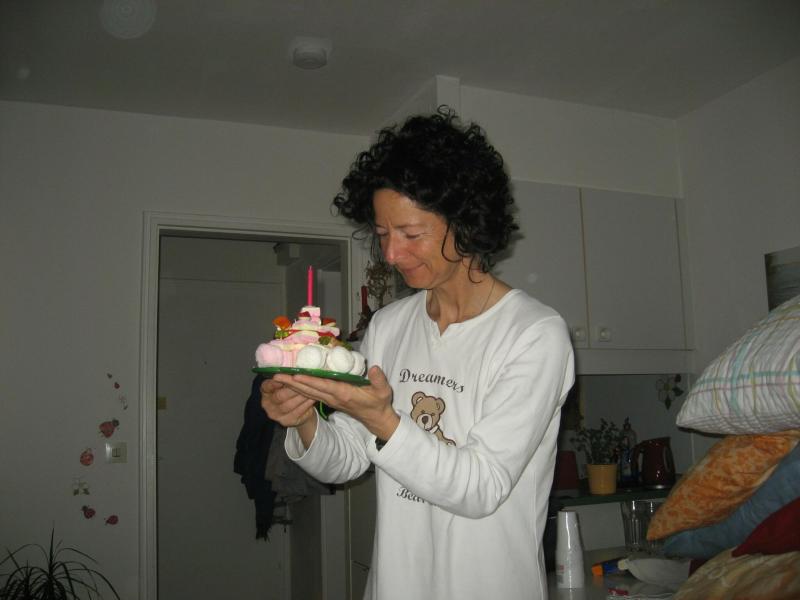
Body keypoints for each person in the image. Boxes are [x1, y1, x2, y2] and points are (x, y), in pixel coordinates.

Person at [261, 107, 575, 600]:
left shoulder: (534, 334)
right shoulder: (389, 326)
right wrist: (303, 420)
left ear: (466, 224)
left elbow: (481, 488)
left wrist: (384, 420)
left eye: (410, 234)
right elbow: (347, 460)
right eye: (383, 235)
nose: (390, 254)